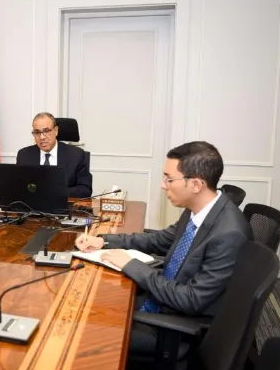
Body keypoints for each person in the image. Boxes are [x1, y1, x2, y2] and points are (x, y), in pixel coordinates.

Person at [75, 141, 252, 354]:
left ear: (196, 185)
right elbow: (159, 240)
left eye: (169, 179)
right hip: (163, 299)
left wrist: (132, 265)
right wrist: (103, 241)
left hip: (177, 327)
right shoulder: (199, 209)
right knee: (91, 304)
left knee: (87, 330)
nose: (163, 185)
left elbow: (191, 299)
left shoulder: (229, 234)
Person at [16, 112, 92, 197]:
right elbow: (18, 187)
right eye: (37, 132)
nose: (42, 137)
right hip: (33, 204)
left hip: (64, 203)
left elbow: (85, 189)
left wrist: (56, 193)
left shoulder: (76, 155)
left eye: (46, 131)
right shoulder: (24, 155)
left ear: (56, 131)